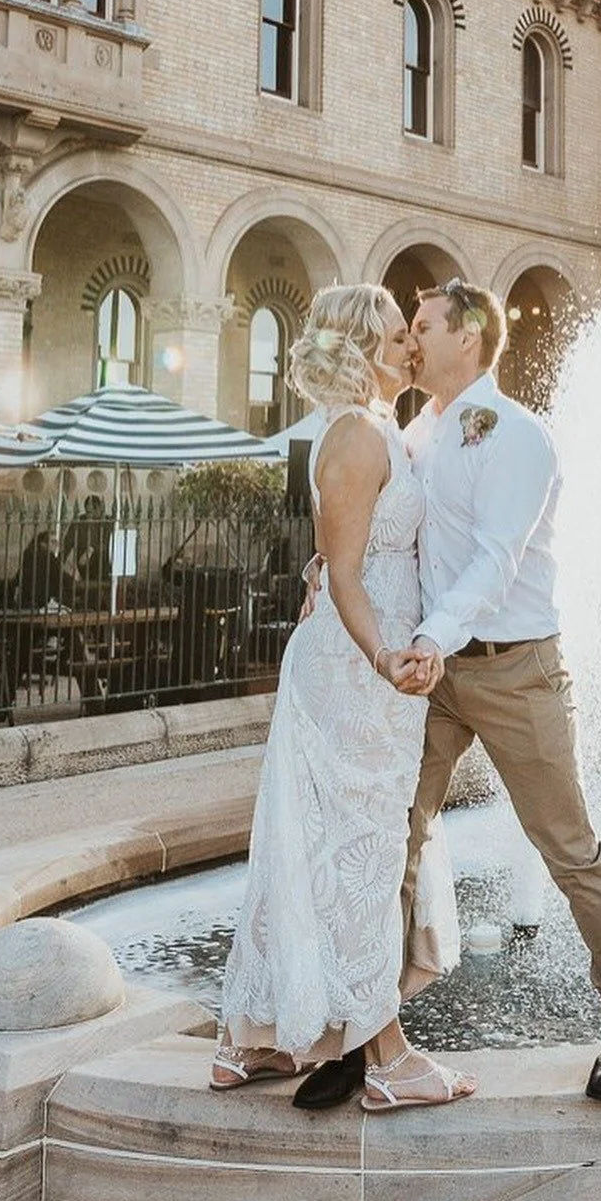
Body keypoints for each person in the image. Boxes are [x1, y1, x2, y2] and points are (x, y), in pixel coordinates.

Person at [215, 284, 470, 1113]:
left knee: (322, 846)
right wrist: (383, 655)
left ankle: (253, 1038)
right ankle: (387, 1059)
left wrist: (327, 580)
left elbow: (334, 558)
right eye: (397, 337)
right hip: (359, 670)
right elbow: (351, 572)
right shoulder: (358, 434)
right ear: (362, 350)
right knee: (360, 854)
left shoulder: (372, 427)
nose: (410, 347)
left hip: (367, 661)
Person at [399, 279, 601, 1101]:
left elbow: (496, 559)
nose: (410, 339)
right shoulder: (418, 430)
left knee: (568, 850)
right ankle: (369, 1030)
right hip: (438, 675)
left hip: (517, 671)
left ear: (468, 337)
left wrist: (430, 637)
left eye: (423, 325)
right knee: (392, 836)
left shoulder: (519, 436)